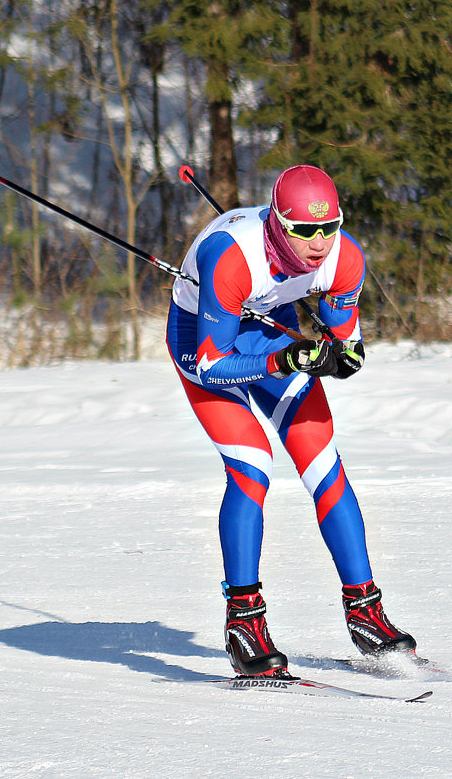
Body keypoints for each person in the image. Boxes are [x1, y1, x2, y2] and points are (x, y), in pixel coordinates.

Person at [166, 165, 415, 677]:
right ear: (278, 224)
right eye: (304, 231)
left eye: (329, 227)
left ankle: (366, 612)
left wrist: (345, 354)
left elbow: (347, 335)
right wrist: (289, 360)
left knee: (323, 464)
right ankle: (244, 626)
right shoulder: (230, 257)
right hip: (204, 342)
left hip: (267, 328)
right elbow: (215, 361)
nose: (319, 243)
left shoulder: (345, 257)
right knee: (253, 467)